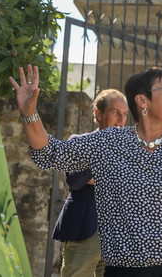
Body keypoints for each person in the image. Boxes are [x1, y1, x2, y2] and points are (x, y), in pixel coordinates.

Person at [9, 41, 162, 277]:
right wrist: (30, 114)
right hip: (125, 267)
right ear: (142, 101)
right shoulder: (108, 142)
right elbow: (50, 154)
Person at [52, 89, 129, 277]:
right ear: (99, 114)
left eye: (125, 114)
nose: (121, 119)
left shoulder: (131, 149)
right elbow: (76, 180)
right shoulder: (78, 142)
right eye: (115, 112)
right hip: (85, 230)